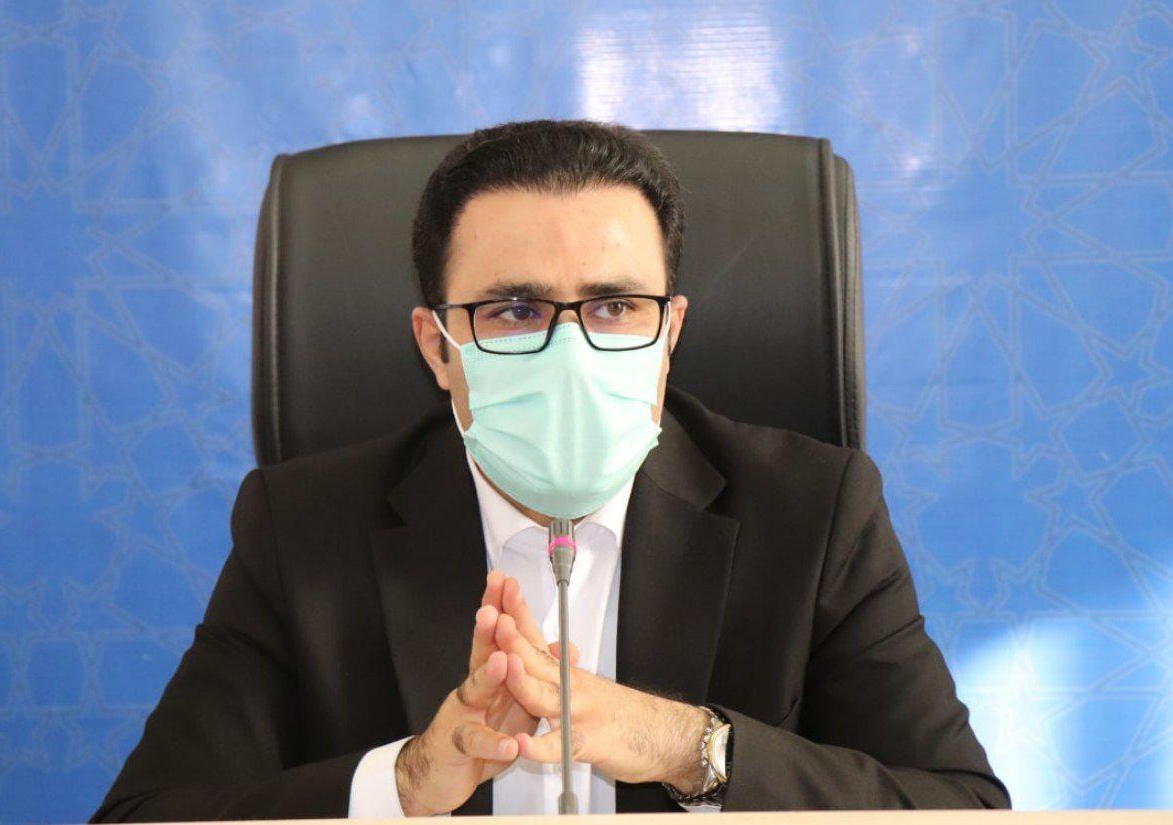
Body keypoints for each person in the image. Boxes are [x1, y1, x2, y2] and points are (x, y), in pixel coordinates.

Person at [91, 119, 1010, 820]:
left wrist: (686, 745)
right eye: (516, 310)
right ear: (438, 346)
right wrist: (406, 781)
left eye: (614, 306)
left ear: (670, 334)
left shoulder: (813, 510)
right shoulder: (304, 528)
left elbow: (962, 807)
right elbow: (146, 816)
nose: (571, 351)